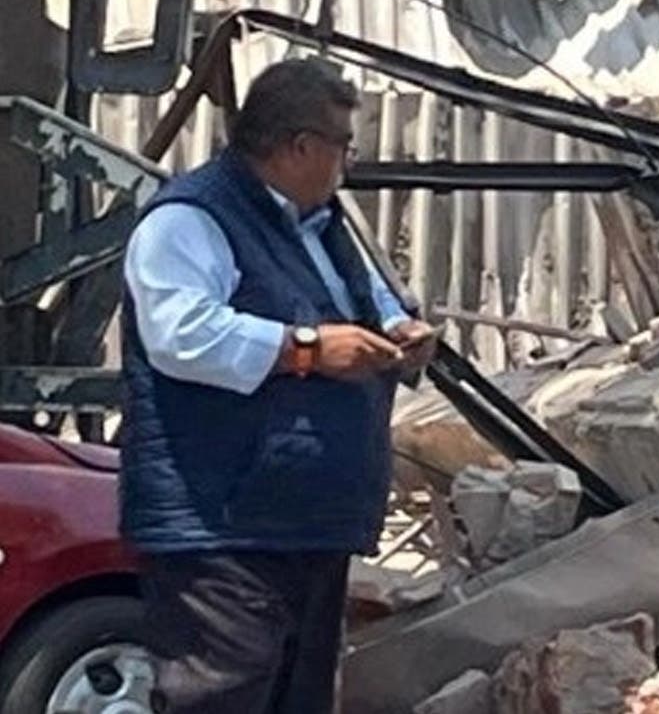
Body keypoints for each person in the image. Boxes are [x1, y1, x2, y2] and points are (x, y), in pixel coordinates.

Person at [120, 57, 438, 714]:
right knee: (223, 697)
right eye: (342, 147)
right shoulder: (189, 219)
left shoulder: (322, 226)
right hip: (225, 533)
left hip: (308, 525)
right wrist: (308, 350)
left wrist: (399, 334)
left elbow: (370, 304)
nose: (346, 165)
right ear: (300, 145)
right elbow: (180, 334)